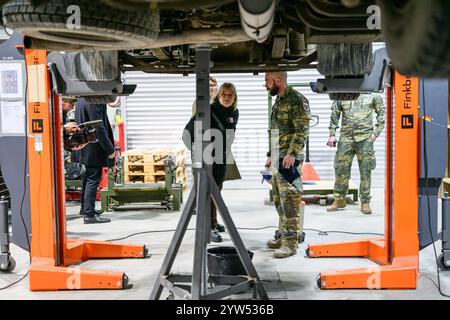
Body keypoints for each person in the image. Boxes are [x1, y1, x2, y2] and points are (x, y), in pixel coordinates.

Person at [183, 82, 239, 242]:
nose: (227, 98)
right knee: (207, 193)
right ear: (218, 95)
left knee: (216, 192)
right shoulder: (208, 109)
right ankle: (208, 227)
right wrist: (198, 153)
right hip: (206, 160)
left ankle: (213, 221)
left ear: (234, 97)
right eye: (224, 95)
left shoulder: (234, 112)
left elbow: (230, 134)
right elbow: (188, 133)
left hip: (221, 158)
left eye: (230, 95)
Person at [264, 71, 310, 259]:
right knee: (279, 199)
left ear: (277, 80)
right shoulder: (279, 100)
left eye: (267, 81)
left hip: (288, 159)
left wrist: (292, 153)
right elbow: (276, 131)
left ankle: (290, 244)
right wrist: (270, 155)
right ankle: (283, 235)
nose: (265, 85)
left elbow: (302, 129)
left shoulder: (297, 99)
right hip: (278, 157)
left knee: (289, 200)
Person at [326, 94, 385, 214]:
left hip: (365, 138)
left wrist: (375, 134)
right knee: (341, 169)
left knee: (365, 170)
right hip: (346, 138)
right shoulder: (342, 94)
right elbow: (335, 114)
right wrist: (332, 134)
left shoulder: (372, 95)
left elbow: (381, 115)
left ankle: (365, 202)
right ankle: (339, 199)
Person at [75, 97, 117, 224]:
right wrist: (110, 149)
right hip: (93, 147)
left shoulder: (82, 99)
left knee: (88, 178)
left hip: (85, 145)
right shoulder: (94, 101)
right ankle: (89, 214)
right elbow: (99, 128)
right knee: (93, 179)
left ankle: (85, 208)